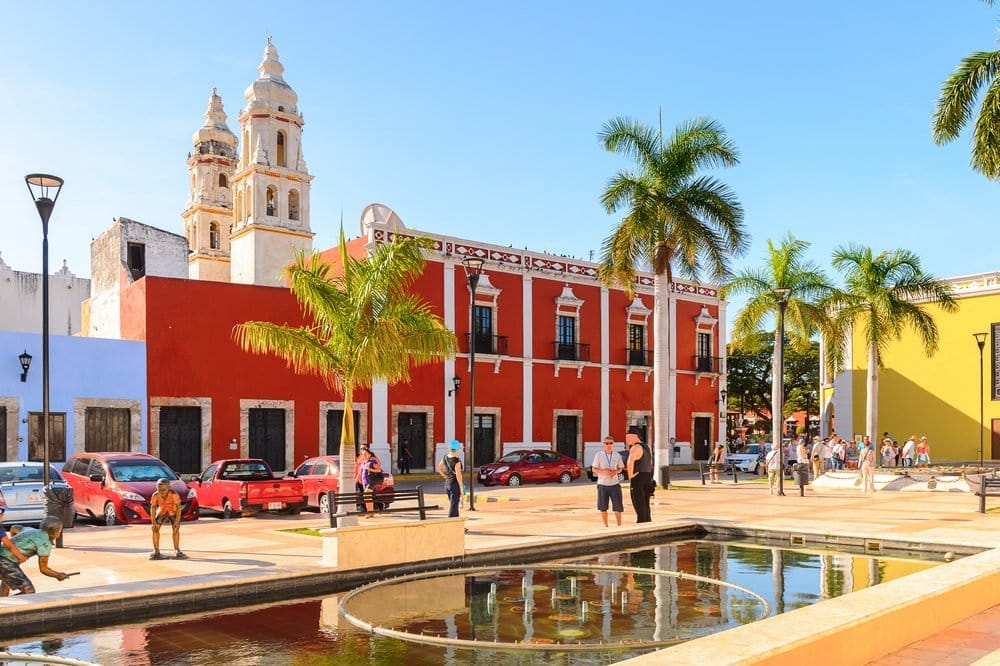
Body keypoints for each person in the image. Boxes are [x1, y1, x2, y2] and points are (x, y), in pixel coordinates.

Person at [0, 516, 70, 596]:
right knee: (29, 591)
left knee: (8, 579)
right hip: (6, 561)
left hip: (2, 555)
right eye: (60, 530)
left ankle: (2, 599)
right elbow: (44, 569)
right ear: (55, 532)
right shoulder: (45, 544)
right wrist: (58, 575)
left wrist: (14, 541)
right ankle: (9, 606)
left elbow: (14, 528)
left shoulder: (30, 530)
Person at [149, 478, 187, 560]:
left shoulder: (174, 494)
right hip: (162, 512)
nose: (161, 492)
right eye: (159, 490)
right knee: (155, 529)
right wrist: (153, 522)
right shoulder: (155, 495)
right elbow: (152, 508)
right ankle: (156, 550)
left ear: (169, 488)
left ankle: (177, 549)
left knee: (176, 529)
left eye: (163, 490)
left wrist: (177, 520)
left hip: (172, 512)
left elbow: (179, 507)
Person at [591, 436, 625, 526]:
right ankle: (605, 526)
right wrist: (603, 471)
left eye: (611, 443)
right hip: (602, 485)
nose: (609, 445)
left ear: (613, 444)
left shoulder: (617, 455)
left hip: (615, 484)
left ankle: (619, 525)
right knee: (603, 507)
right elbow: (594, 469)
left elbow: (620, 468)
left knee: (618, 506)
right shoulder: (599, 455)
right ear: (603, 444)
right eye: (607, 443)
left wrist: (615, 472)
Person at [626, 427, 653, 523]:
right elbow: (650, 463)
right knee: (646, 504)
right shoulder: (647, 447)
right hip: (647, 476)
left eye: (628, 437)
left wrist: (630, 475)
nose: (627, 440)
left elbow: (630, 461)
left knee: (639, 504)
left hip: (638, 477)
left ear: (635, 436)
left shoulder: (635, 447)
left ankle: (641, 523)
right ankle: (647, 523)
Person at [437, 440, 464, 518]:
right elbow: (459, 475)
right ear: (457, 449)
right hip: (454, 485)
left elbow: (439, 468)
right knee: (453, 505)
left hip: (447, 484)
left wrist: (445, 477)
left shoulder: (445, 457)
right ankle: (449, 523)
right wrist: (461, 487)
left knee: (454, 505)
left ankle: (457, 525)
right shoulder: (457, 461)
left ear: (449, 448)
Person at [361, 449, 385, 517]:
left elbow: (379, 470)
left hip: (371, 481)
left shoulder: (372, 462)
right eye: (363, 454)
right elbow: (362, 473)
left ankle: (370, 512)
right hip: (365, 482)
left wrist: (370, 469)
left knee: (366, 496)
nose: (364, 455)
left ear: (369, 455)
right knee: (368, 497)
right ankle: (371, 512)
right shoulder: (363, 463)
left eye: (365, 454)